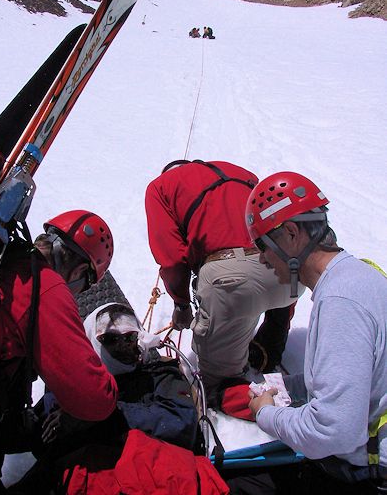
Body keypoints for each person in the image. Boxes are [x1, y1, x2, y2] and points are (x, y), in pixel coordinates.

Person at [0, 209, 118, 493]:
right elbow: (90, 396)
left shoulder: (5, 256)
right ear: (81, 270)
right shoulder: (45, 287)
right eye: (85, 284)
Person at [244, 171, 387, 495]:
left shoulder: (341, 301)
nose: (263, 259)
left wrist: (266, 414)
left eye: (263, 245)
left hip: (364, 475)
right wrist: (286, 388)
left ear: (291, 233)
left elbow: (333, 431)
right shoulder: (359, 276)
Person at [7, 293, 202, 493]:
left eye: (130, 337)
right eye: (111, 339)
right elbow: (30, 433)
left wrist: (101, 413)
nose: (123, 346)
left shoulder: (158, 376)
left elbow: (181, 422)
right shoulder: (73, 389)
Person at [144, 160, 295, 395]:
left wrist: (182, 304)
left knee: (219, 388)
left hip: (232, 281)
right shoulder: (243, 172)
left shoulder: (160, 187)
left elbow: (172, 258)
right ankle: (270, 349)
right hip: (288, 273)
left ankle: (283, 412)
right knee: (262, 295)